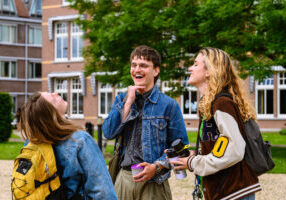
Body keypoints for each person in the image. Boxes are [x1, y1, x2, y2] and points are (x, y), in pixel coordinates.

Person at [170, 47, 261, 200]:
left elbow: (235, 150)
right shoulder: (209, 103)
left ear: (209, 71)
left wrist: (194, 162)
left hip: (233, 192)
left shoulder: (221, 103)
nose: (189, 68)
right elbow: (220, 145)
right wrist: (196, 155)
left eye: (195, 64)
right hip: (224, 191)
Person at [102, 45, 189, 200]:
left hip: (154, 183)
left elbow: (180, 149)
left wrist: (157, 166)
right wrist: (128, 102)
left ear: (156, 71)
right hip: (124, 179)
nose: (137, 70)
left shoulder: (169, 105)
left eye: (143, 65)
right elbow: (108, 133)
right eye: (134, 65)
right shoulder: (122, 100)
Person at [17, 92, 118, 200]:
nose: (56, 93)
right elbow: (104, 193)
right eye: (52, 97)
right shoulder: (80, 140)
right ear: (51, 113)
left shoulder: (31, 142)